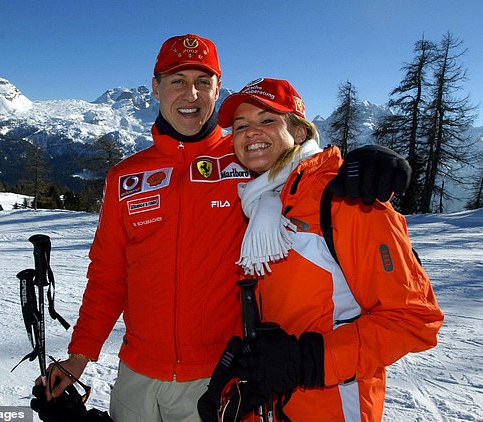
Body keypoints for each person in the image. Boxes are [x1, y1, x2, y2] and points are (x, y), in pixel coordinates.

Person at [34, 35, 414, 422]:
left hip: (218, 377)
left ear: (218, 88)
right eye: (177, 80)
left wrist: (363, 162)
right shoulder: (125, 177)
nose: (191, 93)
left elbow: (299, 167)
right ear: (156, 86)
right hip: (137, 375)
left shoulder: (245, 161)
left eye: (203, 81)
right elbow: (108, 276)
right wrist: (79, 357)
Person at [197, 78, 444, 421]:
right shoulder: (258, 207)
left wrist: (306, 362)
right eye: (241, 126)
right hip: (273, 405)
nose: (251, 132)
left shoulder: (347, 201)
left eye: (267, 120)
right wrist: (234, 377)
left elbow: (414, 320)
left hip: (332, 408)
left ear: (299, 133)